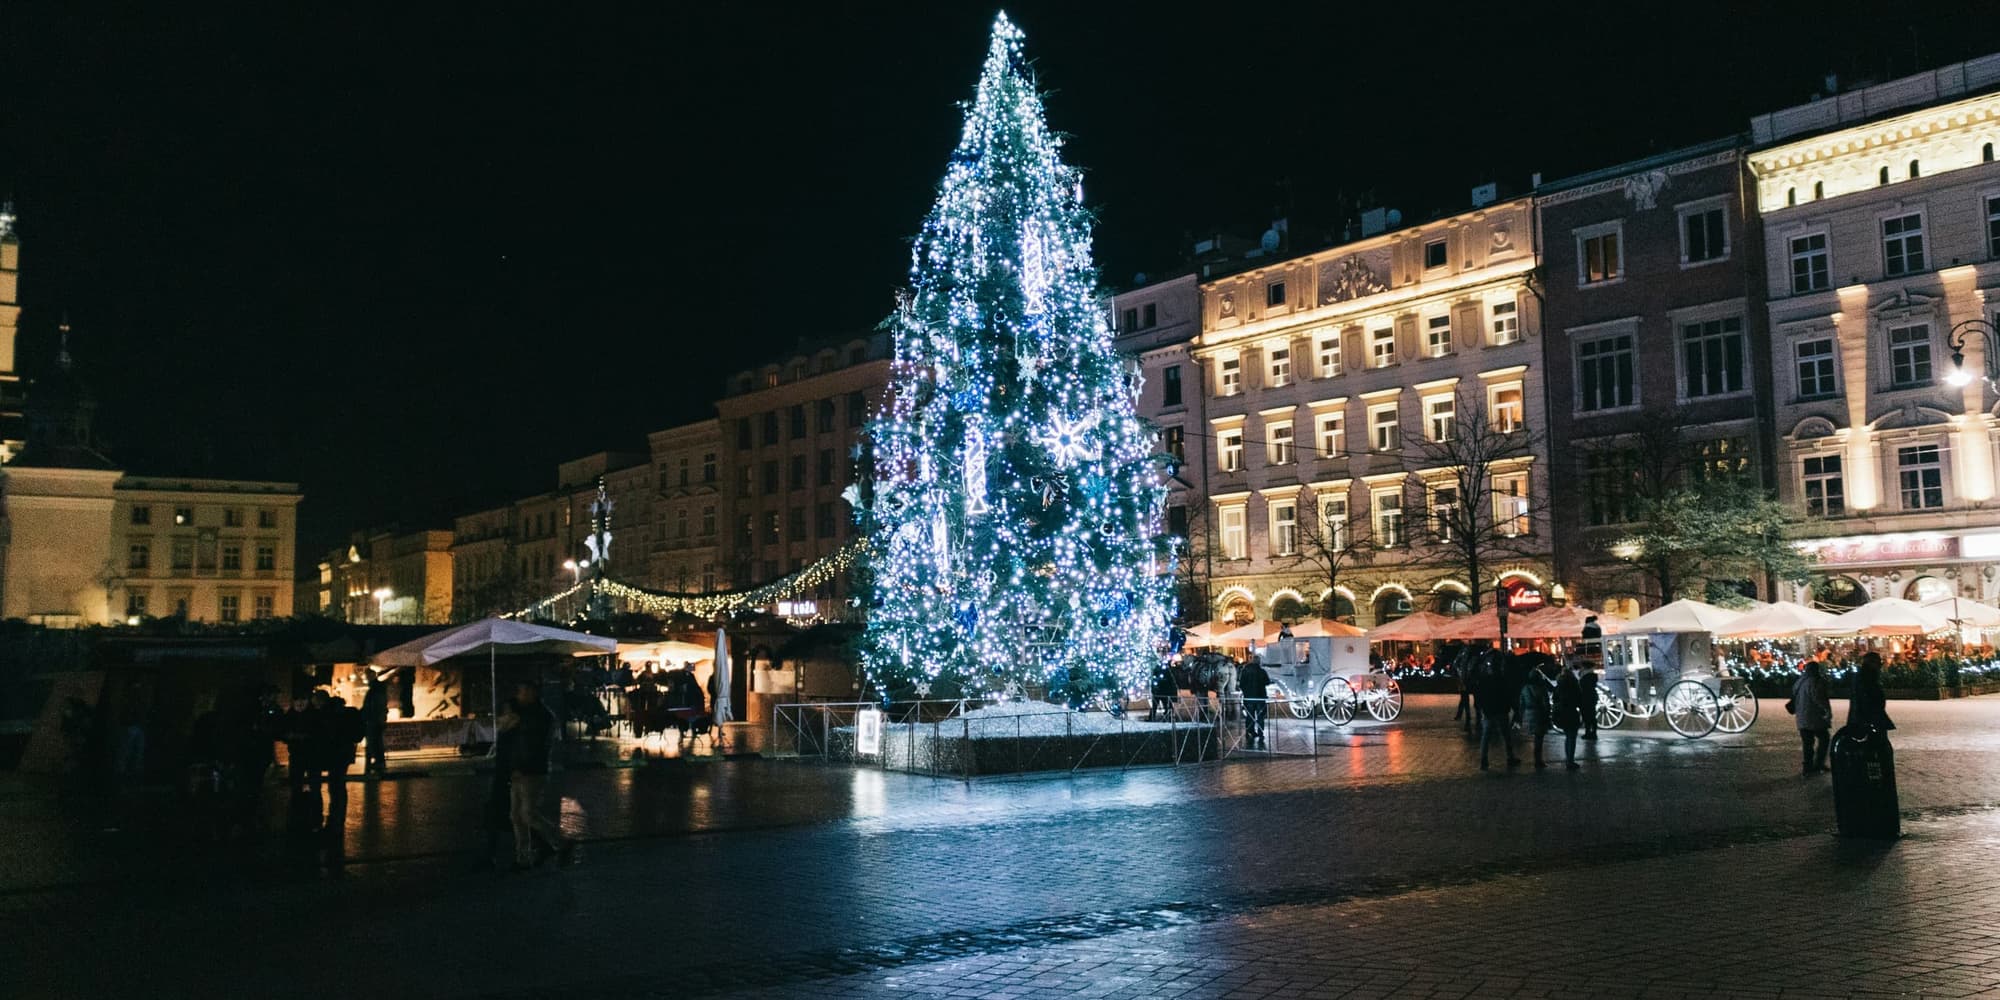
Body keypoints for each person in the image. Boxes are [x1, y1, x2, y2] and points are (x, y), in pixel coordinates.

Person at [500, 681, 571, 870]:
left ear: (532, 693)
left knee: (528, 814)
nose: (519, 696)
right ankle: (522, 857)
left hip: (531, 771)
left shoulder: (541, 716)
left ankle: (560, 841)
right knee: (516, 815)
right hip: (519, 770)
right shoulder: (524, 713)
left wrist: (520, 766)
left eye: (523, 692)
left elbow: (535, 747)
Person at [1477, 650, 1520, 770]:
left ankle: (1484, 760)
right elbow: (1507, 694)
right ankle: (1510, 757)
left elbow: (1480, 696)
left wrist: (1482, 709)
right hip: (1500, 710)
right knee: (1505, 735)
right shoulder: (1502, 678)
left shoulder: (1484, 679)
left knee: (1486, 736)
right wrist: (1512, 707)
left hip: (1489, 711)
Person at [1790, 660, 1833, 774]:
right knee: (1824, 738)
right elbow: (1819, 699)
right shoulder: (1815, 682)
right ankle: (1818, 763)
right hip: (1814, 717)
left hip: (1802, 717)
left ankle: (1808, 767)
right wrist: (1827, 711)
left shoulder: (1799, 682)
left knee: (1807, 743)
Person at [1848, 651, 1897, 733]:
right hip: (1869, 718)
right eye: (1878, 662)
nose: (1880, 665)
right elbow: (1865, 699)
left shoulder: (1865, 677)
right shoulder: (1866, 679)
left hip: (1869, 717)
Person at [1522, 657, 1555, 769]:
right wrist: (1548, 714)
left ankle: (1537, 759)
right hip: (1539, 713)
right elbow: (1545, 703)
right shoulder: (1541, 688)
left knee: (1536, 737)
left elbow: (1521, 703)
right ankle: (1538, 760)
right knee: (1539, 738)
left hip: (1529, 713)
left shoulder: (1525, 688)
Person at [1553, 661, 1584, 770]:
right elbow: (1579, 700)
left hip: (1561, 713)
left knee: (1568, 737)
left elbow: (1554, 699)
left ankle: (1568, 759)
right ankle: (1570, 760)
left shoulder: (1559, 686)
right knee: (1572, 737)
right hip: (1571, 713)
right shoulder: (1574, 686)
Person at [1238, 655, 1271, 750]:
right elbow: (1267, 682)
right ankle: (1260, 732)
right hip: (1260, 697)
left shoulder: (1245, 671)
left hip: (1249, 697)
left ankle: (1250, 731)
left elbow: (1241, 684)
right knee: (1260, 715)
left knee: (1250, 715)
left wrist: (1245, 692)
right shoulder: (1262, 671)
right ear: (1259, 662)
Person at [361, 671, 391, 778]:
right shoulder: (378, 689)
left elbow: (372, 706)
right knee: (376, 742)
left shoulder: (375, 689)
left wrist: (364, 714)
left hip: (374, 720)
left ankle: (377, 763)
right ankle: (378, 763)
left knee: (374, 742)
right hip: (376, 720)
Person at [1578, 667, 1600, 741]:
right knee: (1592, 716)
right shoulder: (1592, 677)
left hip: (1585, 698)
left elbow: (1581, 686)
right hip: (1592, 698)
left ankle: (1588, 732)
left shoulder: (1585, 678)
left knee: (1586, 717)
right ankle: (1593, 732)